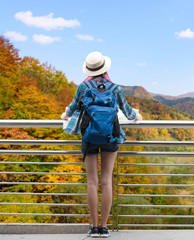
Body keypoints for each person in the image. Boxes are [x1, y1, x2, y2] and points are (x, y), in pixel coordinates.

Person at [61, 51, 142, 238]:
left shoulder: (83, 87)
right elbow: (129, 113)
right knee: (106, 181)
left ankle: (94, 227)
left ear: (89, 69)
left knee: (92, 181)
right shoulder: (115, 88)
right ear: (105, 68)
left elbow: (72, 108)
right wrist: (137, 116)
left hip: (89, 136)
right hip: (110, 136)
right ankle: (104, 228)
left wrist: (65, 115)